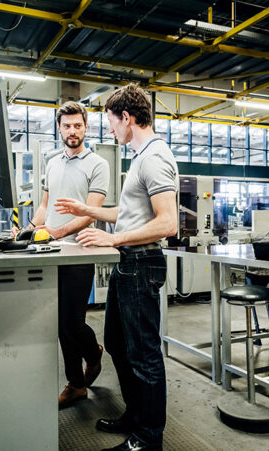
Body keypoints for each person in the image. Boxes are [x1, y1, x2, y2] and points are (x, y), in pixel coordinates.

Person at [54, 84, 178, 451]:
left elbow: (167, 223)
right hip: (129, 264)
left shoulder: (154, 156)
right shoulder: (139, 157)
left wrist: (113, 239)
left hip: (141, 263)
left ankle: (147, 438)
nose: (110, 131)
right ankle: (134, 417)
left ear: (126, 118)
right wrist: (87, 210)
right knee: (118, 348)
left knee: (144, 355)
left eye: (111, 123)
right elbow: (127, 214)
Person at [26, 101, 110, 409]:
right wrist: (28, 229)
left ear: (86, 127)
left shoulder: (98, 164)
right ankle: (76, 384)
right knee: (60, 323)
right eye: (66, 126)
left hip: (79, 251)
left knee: (73, 322)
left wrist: (57, 233)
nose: (72, 131)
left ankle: (94, 353)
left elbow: (91, 213)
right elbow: (45, 206)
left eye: (77, 125)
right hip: (51, 253)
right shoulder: (52, 162)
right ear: (59, 128)